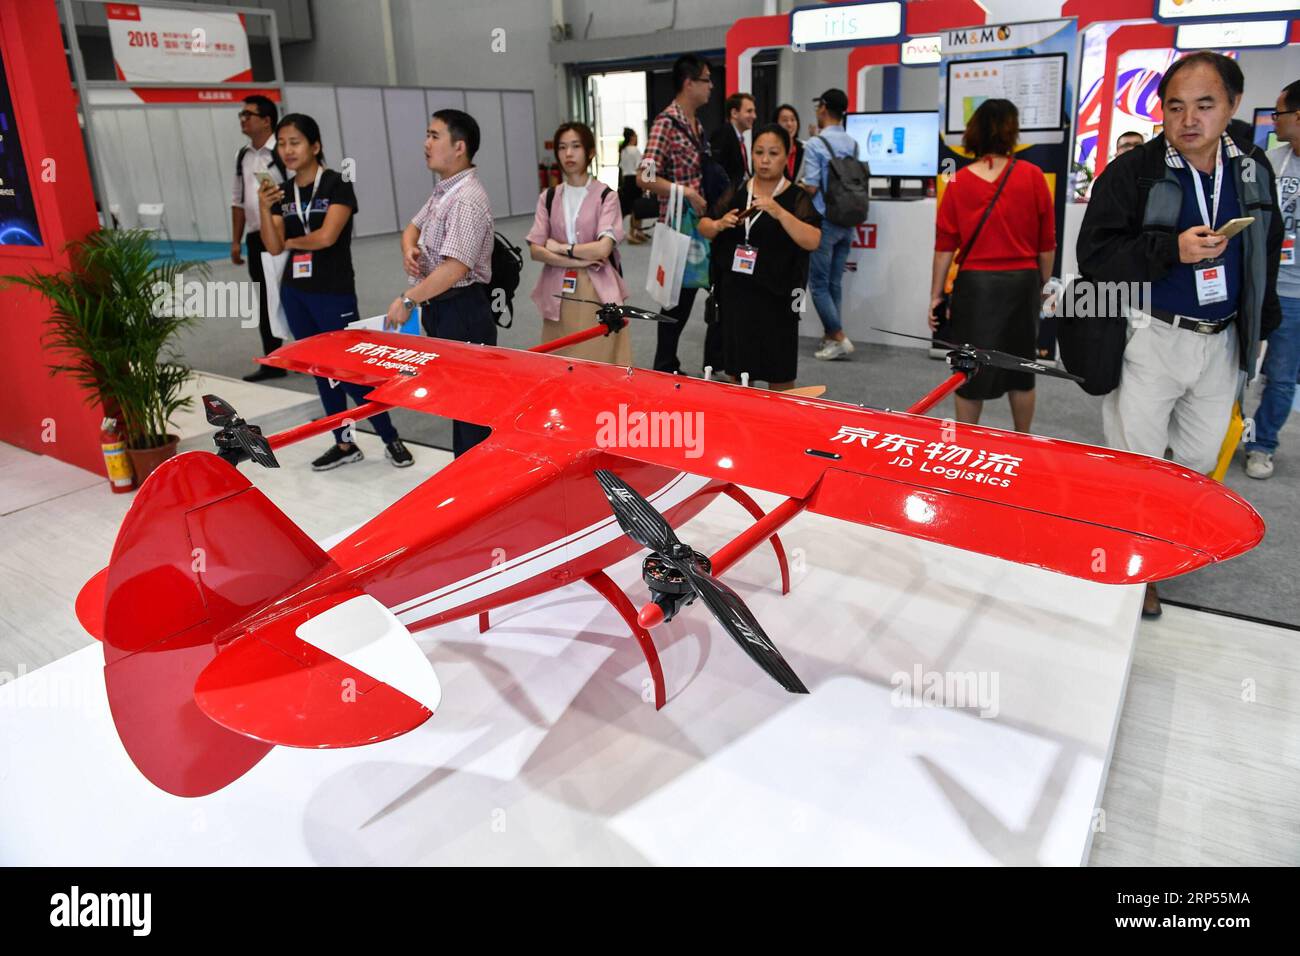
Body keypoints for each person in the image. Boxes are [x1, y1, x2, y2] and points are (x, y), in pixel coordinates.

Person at [1077, 51, 1282, 618]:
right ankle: (1136, 565)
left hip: (1220, 342)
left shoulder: (1252, 170)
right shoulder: (1133, 172)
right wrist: (1171, 249)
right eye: (1175, 106)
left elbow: (1264, 249)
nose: (1189, 118)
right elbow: (1093, 255)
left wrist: (1259, 329)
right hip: (1149, 336)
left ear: (1233, 106)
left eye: (1205, 105)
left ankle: (1163, 543)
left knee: (1194, 459)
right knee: (1136, 459)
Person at [258, 113, 414, 471]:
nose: (287, 150)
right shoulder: (281, 193)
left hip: (334, 292)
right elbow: (273, 245)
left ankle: (390, 437)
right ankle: (345, 445)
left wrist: (291, 239)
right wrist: (266, 210)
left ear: (315, 146)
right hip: (295, 293)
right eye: (282, 143)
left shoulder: (337, 184)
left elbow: (327, 237)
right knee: (319, 370)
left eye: (295, 142)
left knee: (350, 371)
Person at [929, 99, 1056, 433]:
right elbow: (1047, 244)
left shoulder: (957, 181)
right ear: (1011, 131)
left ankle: (968, 445)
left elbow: (944, 246)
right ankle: (1022, 440)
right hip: (1022, 284)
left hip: (976, 287)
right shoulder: (1032, 176)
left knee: (969, 371)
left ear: (974, 132)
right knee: (1022, 370)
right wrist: (1041, 284)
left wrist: (935, 296)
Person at [390, 109, 497, 458]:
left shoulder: (466, 197)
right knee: (457, 404)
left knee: (473, 412)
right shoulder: (444, 191)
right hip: (442, 307)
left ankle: (480, 491)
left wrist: (407, 299)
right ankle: (467, 481)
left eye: (435, 136)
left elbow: (454, 269)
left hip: (463, 310)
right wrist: (410, 249)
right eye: (427, 135)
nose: (426, 143)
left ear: (459, 147)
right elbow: (411, 228)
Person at [699, 124, 821, 390]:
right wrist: (719, 224)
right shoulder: (737, 190)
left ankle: (780, 429)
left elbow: (812, 240)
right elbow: (704, 225)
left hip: (778, 297)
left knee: (781, 374)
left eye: (773, 153)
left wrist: (779, 212)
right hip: (737, 294)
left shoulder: (795, 197)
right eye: (759, 152)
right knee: (738, 374)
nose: (765, 160)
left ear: (786, 156)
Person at [639, 53, 723, 374]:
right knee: (676, 302)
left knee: (707, 295)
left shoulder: (696, 125)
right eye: (706, 80)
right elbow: (644, 176)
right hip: (679, 228)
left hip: (701, 227)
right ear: (689, 83)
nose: (711, 87)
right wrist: (684, 191)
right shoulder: (666, 124)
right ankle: (665, 365)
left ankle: (707, 362)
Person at [526, 122, 631, 365]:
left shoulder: (607, 196)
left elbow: (603, 248)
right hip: (557, 285)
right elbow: (535, 250)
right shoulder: (549, 196)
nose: (568, 154)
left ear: (590, 152)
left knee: (597, 355)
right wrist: (571, 259)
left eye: (576, 146)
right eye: (562, 148)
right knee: (558, 356)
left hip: (596, 285)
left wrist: (561, 247)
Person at [1243, 79, 1300, 479]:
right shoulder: (1267, 163)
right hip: (1258, 283)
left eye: (1279, 113)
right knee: (1233, 368)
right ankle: (1215, 433)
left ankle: (1262, 445)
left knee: (1281, 376)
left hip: (1296, 296)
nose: (1274, 120)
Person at [231, 94, 287, 382]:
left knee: (296, 293)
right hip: (256, 237)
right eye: (241, 115)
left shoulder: (284, 151)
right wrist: (235, 240)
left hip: (287, 235)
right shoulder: (244, 155)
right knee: (265, 298)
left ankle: (318, 354)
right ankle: (273, 360)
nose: (243, 119)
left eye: (248, 114)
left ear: (266, 120)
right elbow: (238, 201)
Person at [801, 88, 858, 361]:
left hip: (823, 220)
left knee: (819, 284)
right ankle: (830, 338)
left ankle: (837, 335)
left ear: (823, 107)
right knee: (834, 282)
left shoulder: (815, 145)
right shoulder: (852, 143)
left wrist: (796, 186)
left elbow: (811, 187)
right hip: (848, 218)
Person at [710, 92, 756, 189]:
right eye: (749, 111)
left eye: (754, 112)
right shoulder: (722, 135)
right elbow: (716, 172)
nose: (754, 116)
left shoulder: (739, 139)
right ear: (734, 113)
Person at [617, 128, 647, 244]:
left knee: (631, 207)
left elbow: (622, 168)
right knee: (637, 208)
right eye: (635, 136)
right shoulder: (635, 150)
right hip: (635, 180)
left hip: (627, 181)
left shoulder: (623, 151)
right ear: (632, 137)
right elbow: (640, 167)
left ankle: (636, 232)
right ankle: (632, 232)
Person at [774, 104, 805, 185]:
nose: (789, 124)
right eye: (784, 120)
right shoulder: (771, 149)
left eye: (793, 119)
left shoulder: (805, 148)